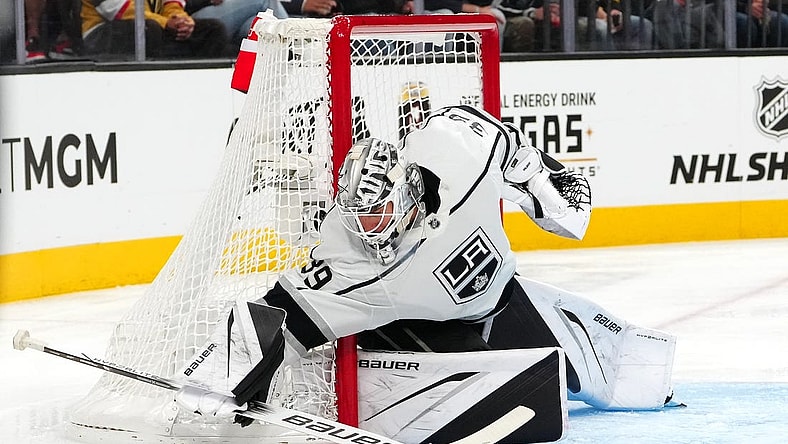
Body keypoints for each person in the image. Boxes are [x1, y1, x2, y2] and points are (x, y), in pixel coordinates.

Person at [172, 104, 679, 427]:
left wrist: (552, 192)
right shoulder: (350, 260)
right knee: (527, 401)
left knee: (634, 377)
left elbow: (523, 160)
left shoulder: (457, 150)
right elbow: (277, 316)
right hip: (428, 333)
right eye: (360, 217)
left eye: (380, 211)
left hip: (508, 295)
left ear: (410, 190)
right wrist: (219, 379)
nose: (372, 230)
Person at [80, 0, 232, 60]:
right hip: (98, 34)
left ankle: (203, 86)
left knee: (212, 30)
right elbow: (123, 10)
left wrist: (182, 21)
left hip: (153, 26)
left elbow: (171, 4)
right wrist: (167, 23)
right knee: (149, 29)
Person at [185, 0, 288, 48]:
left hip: (235, 13)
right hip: (193, 18)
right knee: (265, 1)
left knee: (257, 23)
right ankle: (296, 45)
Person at [577, 0, 655, 50]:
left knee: (643, 24)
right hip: (576, 17)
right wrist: (602, 15)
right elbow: (581, 4)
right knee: (603, 28)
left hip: (602, 14)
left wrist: (614, 11)